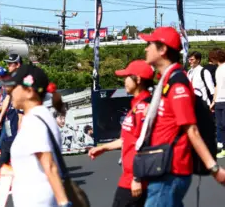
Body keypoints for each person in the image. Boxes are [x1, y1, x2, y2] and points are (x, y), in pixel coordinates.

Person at [138, 27, 225, 206]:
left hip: (170, 169)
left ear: (162, 50)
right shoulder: (166, 81)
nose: (146, 49)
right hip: (162, 167)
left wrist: (214, 168)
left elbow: (191, 129)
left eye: (149, 44)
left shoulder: (177, 84)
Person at [88, 60, 154, 207]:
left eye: (127, 77)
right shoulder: (136, 106)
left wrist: (137, 177)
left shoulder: (145, 108)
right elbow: (126, 139)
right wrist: (103, 148)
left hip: (136, 180)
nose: (124, 80)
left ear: (137, 80)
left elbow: (147, 144)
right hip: (129, 178)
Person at [7, 63, 70, 207]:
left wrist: (64, 203)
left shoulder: (34, 121)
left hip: (37, 201)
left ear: (29, 91)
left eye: (13, 87)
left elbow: (49, 166)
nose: (9, 91)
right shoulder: (39, 116)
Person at [0, 54, 23, 172]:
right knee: (5, 157)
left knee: (16, 154)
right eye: (8, 63)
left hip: (18, 117)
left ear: (18, 65)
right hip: (9, 118)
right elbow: (7, 98)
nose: (8, 66)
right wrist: (0, 118)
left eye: (11, 64)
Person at [209, 48, 225, 158]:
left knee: (223, 124)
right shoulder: (218, 68)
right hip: (219, 100)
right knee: (220, 125)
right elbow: (217, 86)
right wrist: (213, 101)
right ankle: (223, 147)